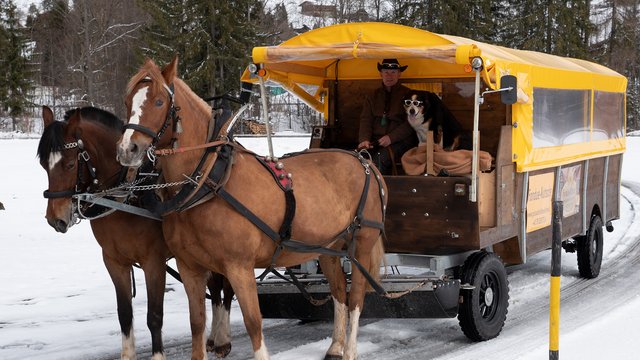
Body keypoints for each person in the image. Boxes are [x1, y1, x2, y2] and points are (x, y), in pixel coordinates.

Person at [358, 58, 417, 175]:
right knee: (359, 157)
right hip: (375, 140)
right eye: (386, 72)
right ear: (381, 74)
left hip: (401, 141)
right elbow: (366, 120)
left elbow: (411, 123)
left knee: (379, 159)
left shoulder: (410, 95)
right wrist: (364, 140)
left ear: (399, 74)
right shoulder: (372, 96)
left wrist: (391, 138)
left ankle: (378, 191)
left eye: (393, 72)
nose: (389, 76)